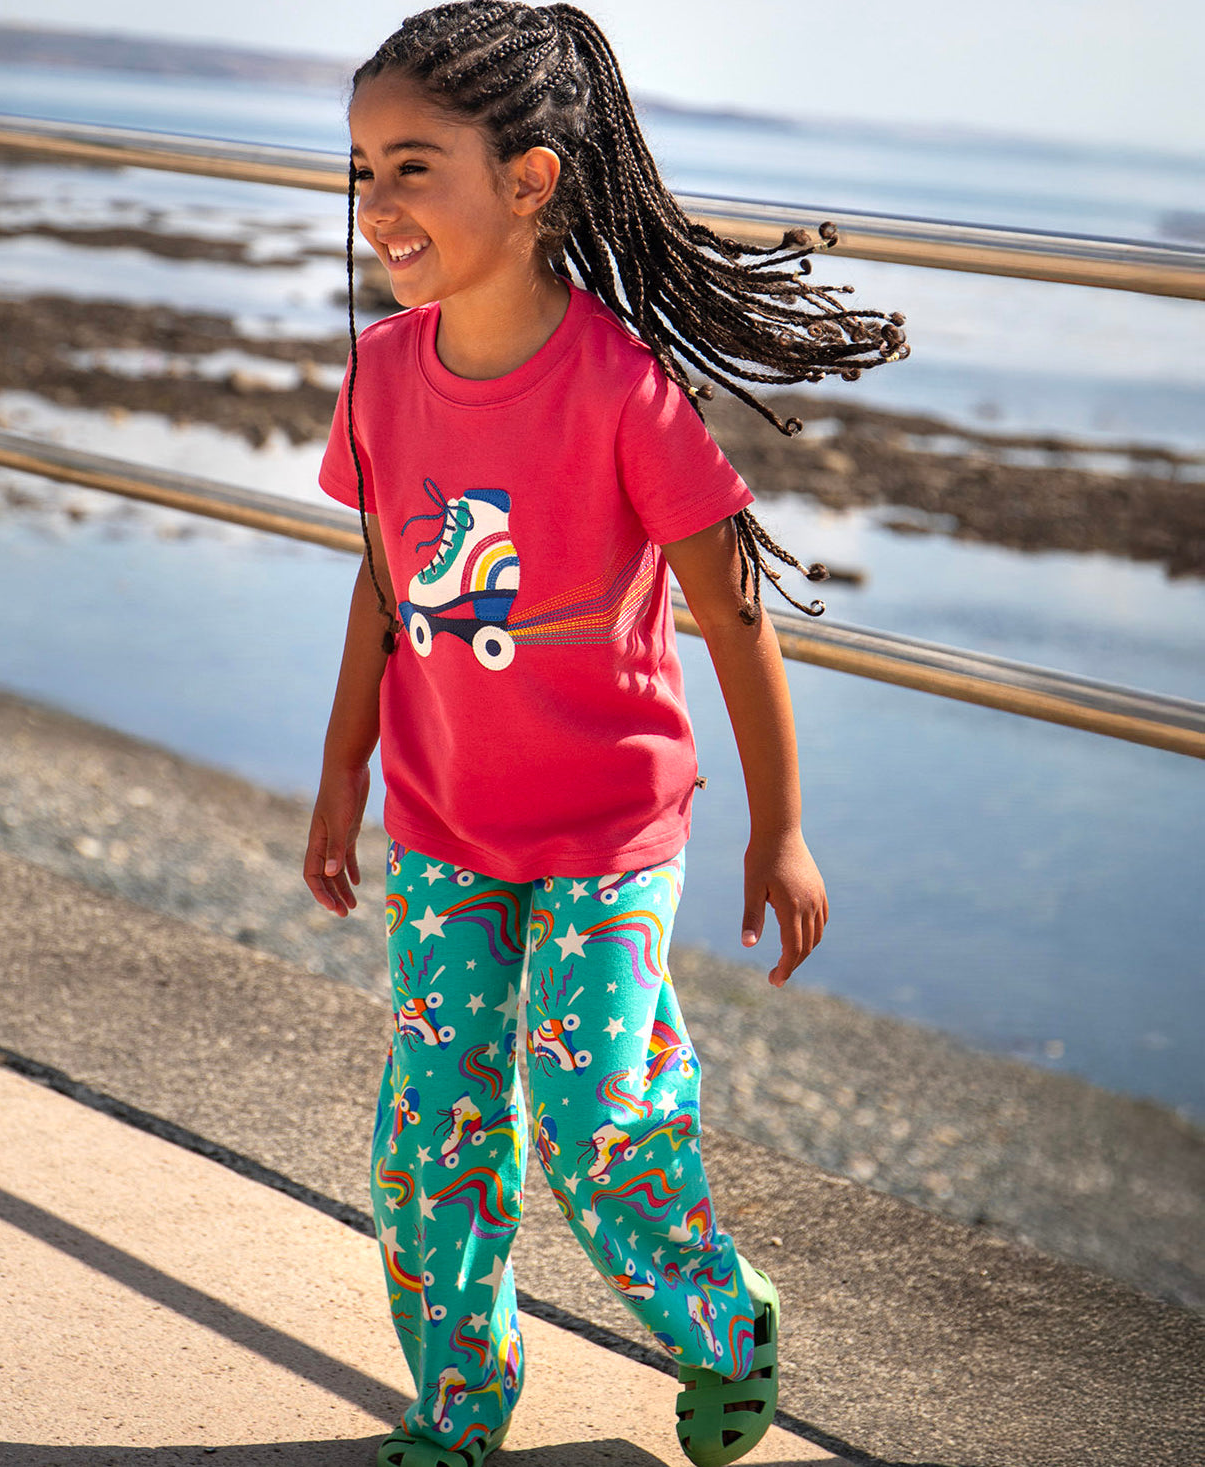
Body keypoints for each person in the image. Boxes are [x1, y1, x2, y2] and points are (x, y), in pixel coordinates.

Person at [304, 6, 906, 1464]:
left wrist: (779, 828)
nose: (378, 204)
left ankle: (721, 1321)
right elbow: (384, 583)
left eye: (414, 167)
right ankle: (460, 1406)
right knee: (431, 1134)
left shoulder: (622, 390)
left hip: (608, 834)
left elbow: (736, 615)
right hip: (443, 822)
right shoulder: (380, 374)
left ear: (530, 182)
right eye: (363, 169)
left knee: (593, 1115)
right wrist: (339, 776)